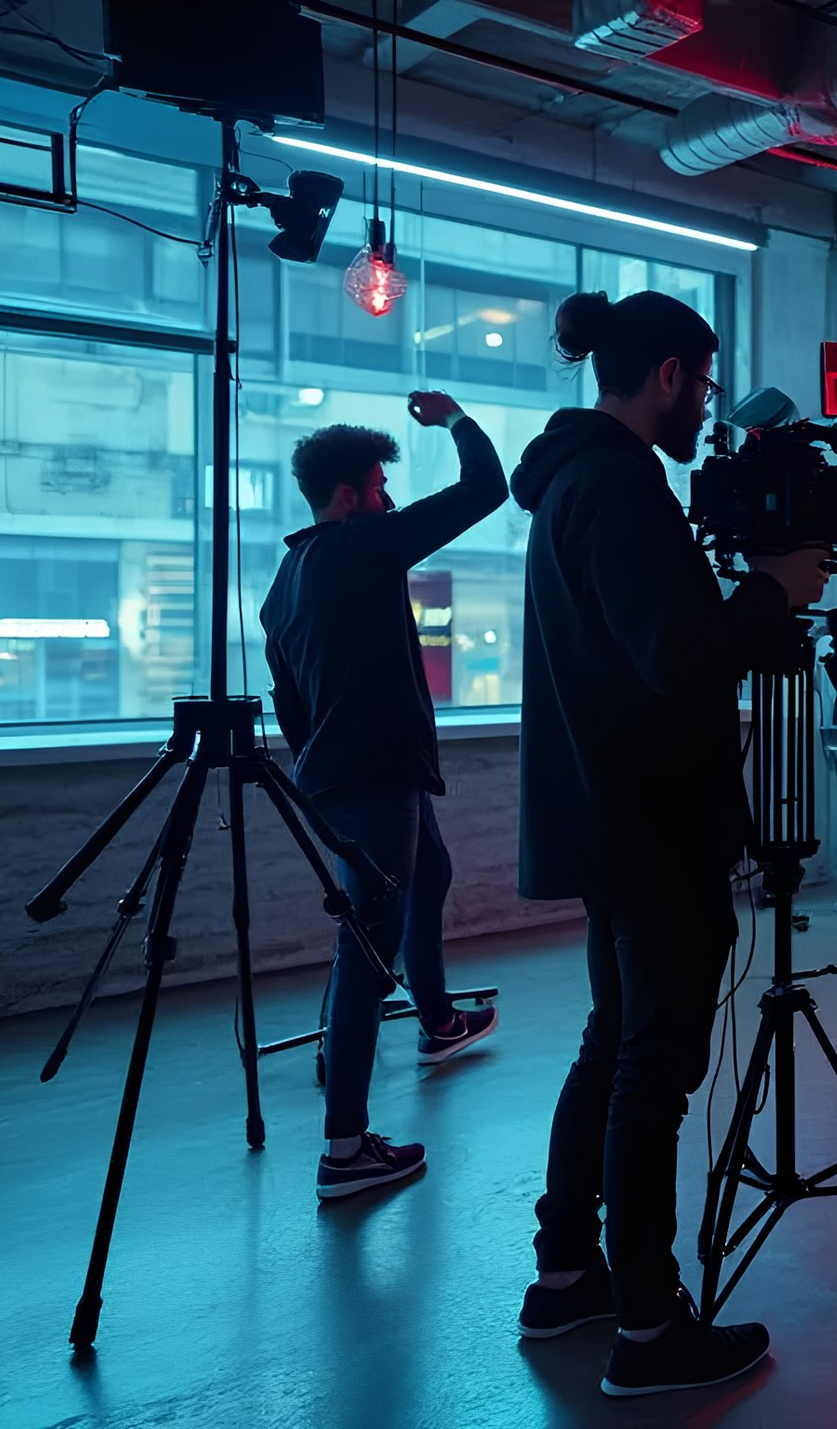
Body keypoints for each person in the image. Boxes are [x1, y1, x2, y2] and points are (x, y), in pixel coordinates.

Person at [511, 290, 824, 1396]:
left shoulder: (568, 480)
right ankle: (648, 1326)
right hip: (651, 822)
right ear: (671, 376)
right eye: (703, 378)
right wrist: (774, 592)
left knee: (614, 1041)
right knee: (654, 1065)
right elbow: (678, 658)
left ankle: (567, 1275)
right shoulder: (619, 485)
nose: (707, 403)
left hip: (610, 821)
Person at [260, 392, 505, 1202]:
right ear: (347, 498)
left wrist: (329, 766)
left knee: (427, 873)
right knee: (367, 948)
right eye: (377, 486)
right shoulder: (362, 548)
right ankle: (344, 1150)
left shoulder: (285, 580)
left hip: (342, 777)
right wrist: (457, 420)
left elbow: (290, 703)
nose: (389, 500)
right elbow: (484, 490)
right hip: (372, 780)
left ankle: (436, 1022)